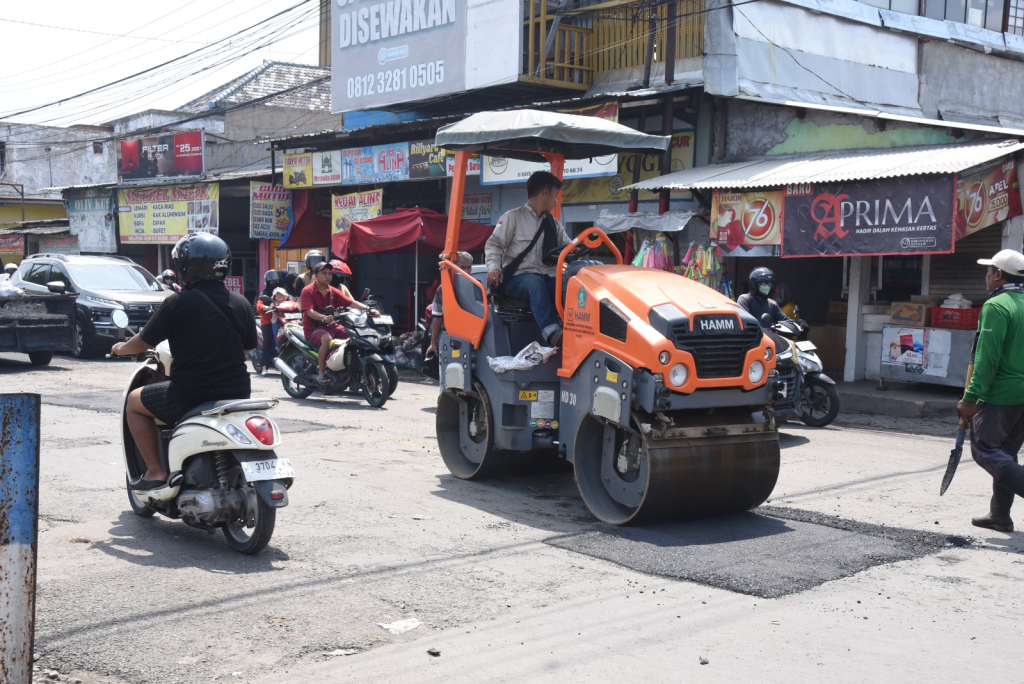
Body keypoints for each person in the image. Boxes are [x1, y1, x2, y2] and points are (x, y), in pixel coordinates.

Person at [111, 233, 257, 490]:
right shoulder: (242, 303)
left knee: (133, 402)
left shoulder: (178, 302)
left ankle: (155, 472)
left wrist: (120, 349)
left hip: (190, 394)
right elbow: (246, 348)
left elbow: (142, 342)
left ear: (186, 266)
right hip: (237, 392)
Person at [956, 249, 1024, 532]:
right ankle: (1000, 516)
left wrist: (970, 398)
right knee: (1006, 452)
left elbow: (987, 359)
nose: (986, 276)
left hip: (1001, 395)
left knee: (984, 448)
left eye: (988, 271)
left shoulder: (997, 306)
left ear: (998, 274)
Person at [485, 171, 571, 347]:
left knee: (570, 286)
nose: (556, 200)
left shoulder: (553, 224)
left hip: (547, 276)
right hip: (516, 278)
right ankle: (552, 333)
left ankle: (576, 330)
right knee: (535, 283)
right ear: (545, 192)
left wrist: (581, 247)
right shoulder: (513, 217)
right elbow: (494, 244)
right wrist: (494, 267)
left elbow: (568, 247)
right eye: (555, 194)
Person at [299, 260, 377, 385]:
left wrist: (369, 309)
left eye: (330, 274)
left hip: (332, 325)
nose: (328, 276)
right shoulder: (307, 290)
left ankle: (349, 368)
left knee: (354, 335)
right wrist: (323, 317)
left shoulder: (333, 291)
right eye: (324, 273)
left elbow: (351, 303)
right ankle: (321, 374)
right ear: (316, 275)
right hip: (313, 328)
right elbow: (309, 312)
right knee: (327, 339)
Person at [426, 251, 473, 359]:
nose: (466, 271)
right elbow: (438, 317)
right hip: (450, 337)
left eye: (468, 267)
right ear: (455, 267)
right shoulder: (444, 289)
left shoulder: (477, 287)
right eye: (462, 267)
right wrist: (433, 342)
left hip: (472, 337)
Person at [254, 269, 283, 375]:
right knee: (268, 341)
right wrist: (264, 307)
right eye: (272, 281)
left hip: (281, 320)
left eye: (276, 281)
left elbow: (291, 300)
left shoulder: (282, 292)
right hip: (267, 322)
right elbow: (259, 305)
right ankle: (264, 367)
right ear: (268, 282)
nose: (274, 283)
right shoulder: (265, 293)